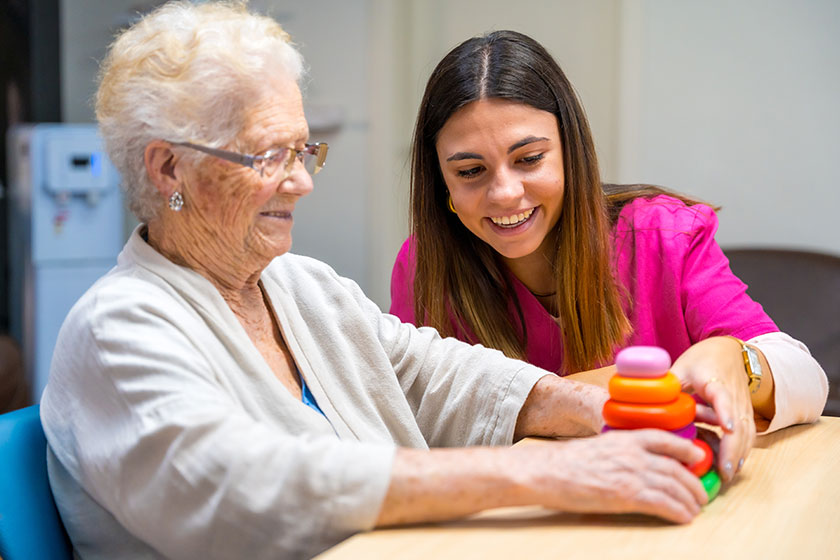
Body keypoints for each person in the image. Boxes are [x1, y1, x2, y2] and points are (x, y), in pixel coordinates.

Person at [40, 4, 711, 559]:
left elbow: (429, 372)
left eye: (302, 151)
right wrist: (544, 471)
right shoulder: (118, 328)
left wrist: (591, 411)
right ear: (168, 171)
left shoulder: (298, 284)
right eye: (270, 156)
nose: (301, 181)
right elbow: (253, 486)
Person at [390, 30, 828, 485]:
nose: (504, 193)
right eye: (470, 171)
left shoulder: (666, 236)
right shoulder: (425, 269)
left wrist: (736, 361)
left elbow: (808, 381)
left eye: (529, 159)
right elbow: (411, 422)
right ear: (442, 182)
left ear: (570, 151)